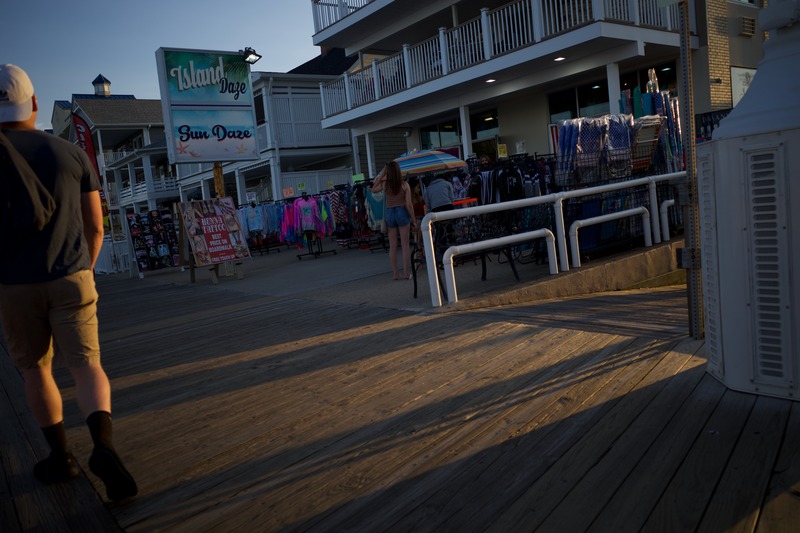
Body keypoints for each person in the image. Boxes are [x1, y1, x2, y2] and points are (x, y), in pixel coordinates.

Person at [0, 64, 137, 501]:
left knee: (36, 370)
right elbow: (96, 226)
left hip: (14, 285)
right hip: (72, 276)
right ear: (34, 103)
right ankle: (103, 446)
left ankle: (61, 459)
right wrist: (85, 269)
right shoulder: (69, 152)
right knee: (86, 365)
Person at [372, 161, 415, 280]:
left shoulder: (385, 185)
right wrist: (413, 219)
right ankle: (406, 273)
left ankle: (395, 274)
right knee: (405, 245)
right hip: (401, 212)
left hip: (389, 213)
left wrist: (382, 174)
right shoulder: (404, 184)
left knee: (393, 246)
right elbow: (409, 204)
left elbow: (373, 189)